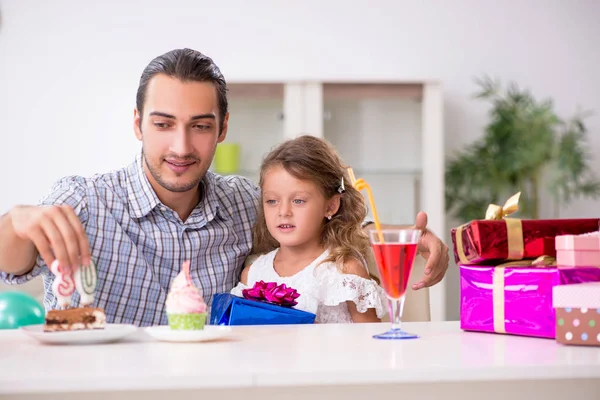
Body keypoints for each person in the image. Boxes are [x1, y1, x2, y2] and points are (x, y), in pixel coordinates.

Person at [0, 48, 450, 327]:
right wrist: (16, 223)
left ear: (222, 128)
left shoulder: (240, 201)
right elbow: (11, 265)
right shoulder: (84, 200)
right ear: (138, 124)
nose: (180, 146)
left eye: (199, 126)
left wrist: (405, 237)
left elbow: (313, 216)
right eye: (163, 124)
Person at [231, 135, 387, 323]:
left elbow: (371, 343)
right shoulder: (252, 275)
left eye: (298, 201)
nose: (283, 212)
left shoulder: (344, 271)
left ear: (330, 206)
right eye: (272, 201)